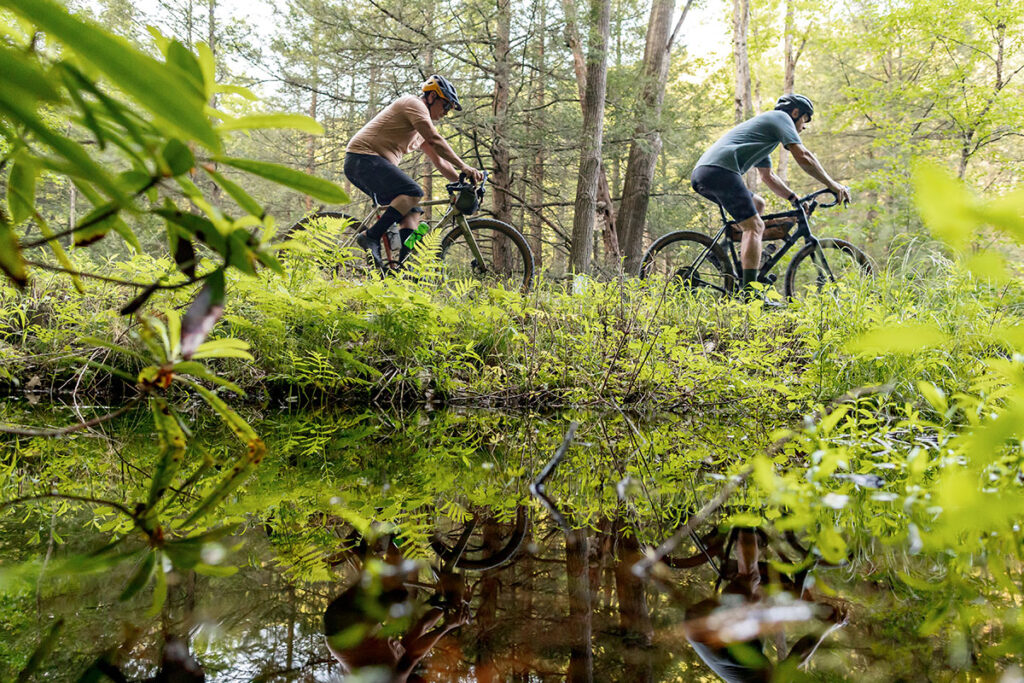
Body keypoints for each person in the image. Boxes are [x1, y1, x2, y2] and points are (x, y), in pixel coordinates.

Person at [690, 94, 852, 296]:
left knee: (757, 204)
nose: (804, 126)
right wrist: (833, 185)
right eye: (804, 119)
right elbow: (803, 156)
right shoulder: (780, 118)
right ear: (794, 113)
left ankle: (722, 253)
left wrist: (794, 199)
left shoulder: (765, 134)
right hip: (720, 170)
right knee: (755, 226)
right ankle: (749, 294)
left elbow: (768, 176)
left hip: (706, 173)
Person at [345, 75, 484, 270]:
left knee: (412, 213)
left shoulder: (420, 130)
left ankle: (402, 271)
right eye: (446, 106)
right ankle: (370, 237)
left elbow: (441, 162)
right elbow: (436, 140)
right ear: (432, 97)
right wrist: (464, 167)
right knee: (413, 192)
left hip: (372, 165)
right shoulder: (414, 104)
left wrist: (463, 183)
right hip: (362, 159)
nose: (447, 112)